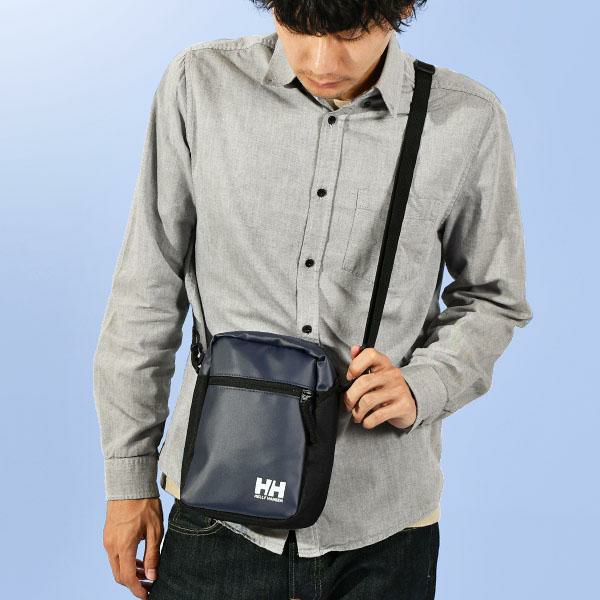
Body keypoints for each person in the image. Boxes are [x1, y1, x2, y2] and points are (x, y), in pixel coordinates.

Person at [93, 1, 533, 598]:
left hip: (383, 528)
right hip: (216, 514)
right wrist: (128, 482)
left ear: (401, 8)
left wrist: (425, 384)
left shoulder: (466, 118)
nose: (322, 60)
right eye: (299, 29)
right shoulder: (200, 85)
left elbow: (493, 297)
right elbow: (146, 289)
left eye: (350, 34)